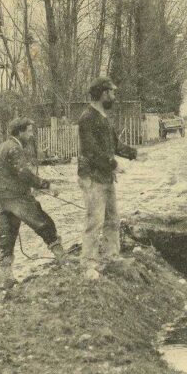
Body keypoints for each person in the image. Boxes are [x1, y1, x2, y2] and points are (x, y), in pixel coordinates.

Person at [0, 117, 65, 288]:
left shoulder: (2, 146)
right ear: (20, 132)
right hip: (17, 197)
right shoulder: (15, 148)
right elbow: (23, 173)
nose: (31, 135)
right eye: (29, 131)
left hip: (2, 198)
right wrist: (46, 185)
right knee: (44, 223)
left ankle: (7, 277)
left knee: (7, 236)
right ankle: (63, 258)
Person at [77, 76, 137, 277]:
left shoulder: (103, 117)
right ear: (103, 93)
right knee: (94, 221)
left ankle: (112, 257)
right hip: (92, 177)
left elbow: (115, 144)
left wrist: (134, 153)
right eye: (111, 92)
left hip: (105, 176)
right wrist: (113, 164)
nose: (114, 96)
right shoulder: (87, 118)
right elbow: (91, 151)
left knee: (112, 219)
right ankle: (88, 263)